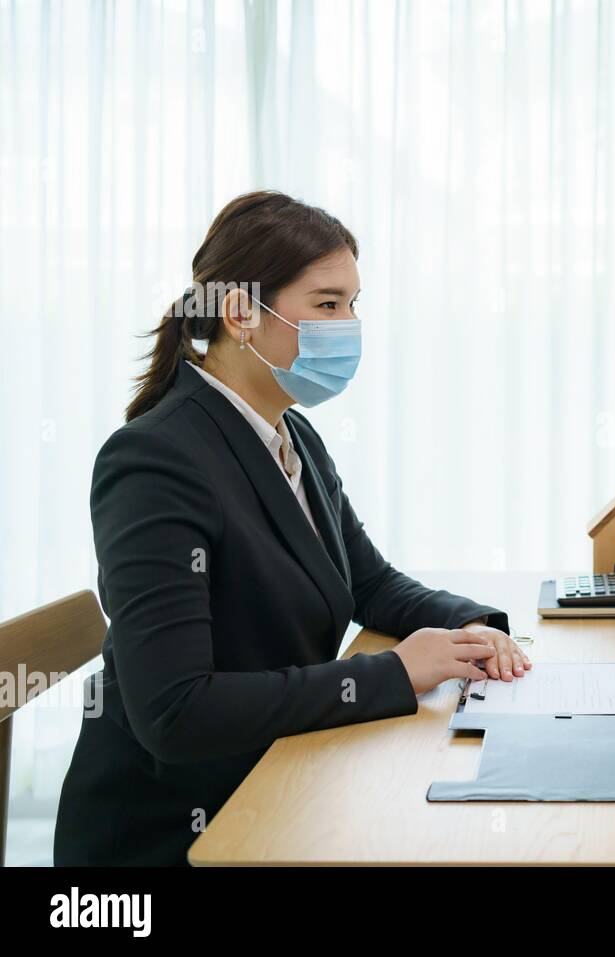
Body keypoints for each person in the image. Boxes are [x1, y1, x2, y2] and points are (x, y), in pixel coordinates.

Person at [55, 191, 530, 865]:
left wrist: (474, 628)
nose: (349, 324)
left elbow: (368, 581)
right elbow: (176, 712)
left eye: (354, 303)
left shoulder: (290, 432)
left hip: (281, 779)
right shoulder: (155, 460)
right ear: (241, 312)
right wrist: (393, 672)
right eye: (328, 303)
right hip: (181, 834)